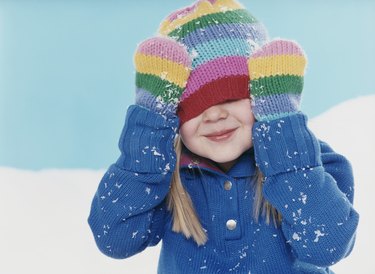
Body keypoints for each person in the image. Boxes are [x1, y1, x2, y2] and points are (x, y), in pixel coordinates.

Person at [88, 0, 359, 273]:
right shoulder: (166, 177)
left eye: (231, 96)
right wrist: (150, 123)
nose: (214, 115)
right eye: (193, 106)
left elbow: (329, 245)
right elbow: (114, 239)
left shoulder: (312, 164)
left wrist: (281, 125)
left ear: (263, 96)